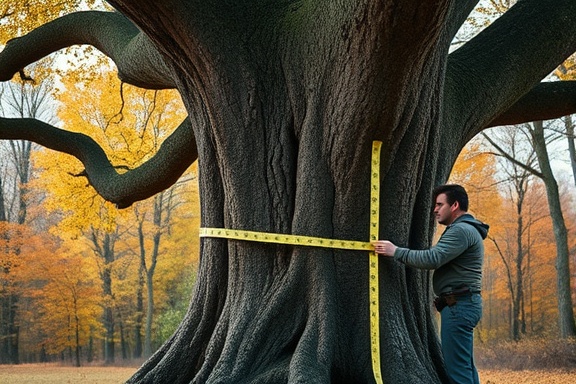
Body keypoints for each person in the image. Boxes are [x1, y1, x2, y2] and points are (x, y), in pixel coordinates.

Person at [373, 184, 489, 384]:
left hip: (459, 305)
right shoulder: (468, 229)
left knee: (458, 372)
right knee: (466, 369)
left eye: (439, 204)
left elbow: (433, 258)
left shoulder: (461, 230)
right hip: (461, 304)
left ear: (454, 205)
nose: (435, 209)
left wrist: (396, 251)